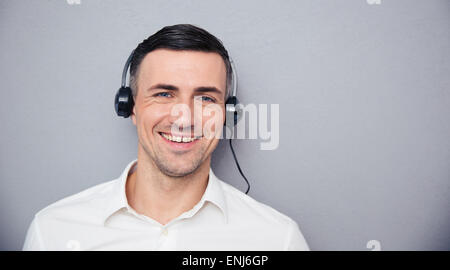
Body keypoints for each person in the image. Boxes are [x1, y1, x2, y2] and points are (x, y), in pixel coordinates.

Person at [22, 24, 309, 251]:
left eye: (206, 98)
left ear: (228, 114)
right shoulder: (53, 231)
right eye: (163, 94)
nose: (184, 118)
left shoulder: (277, 239)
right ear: (129, 106)